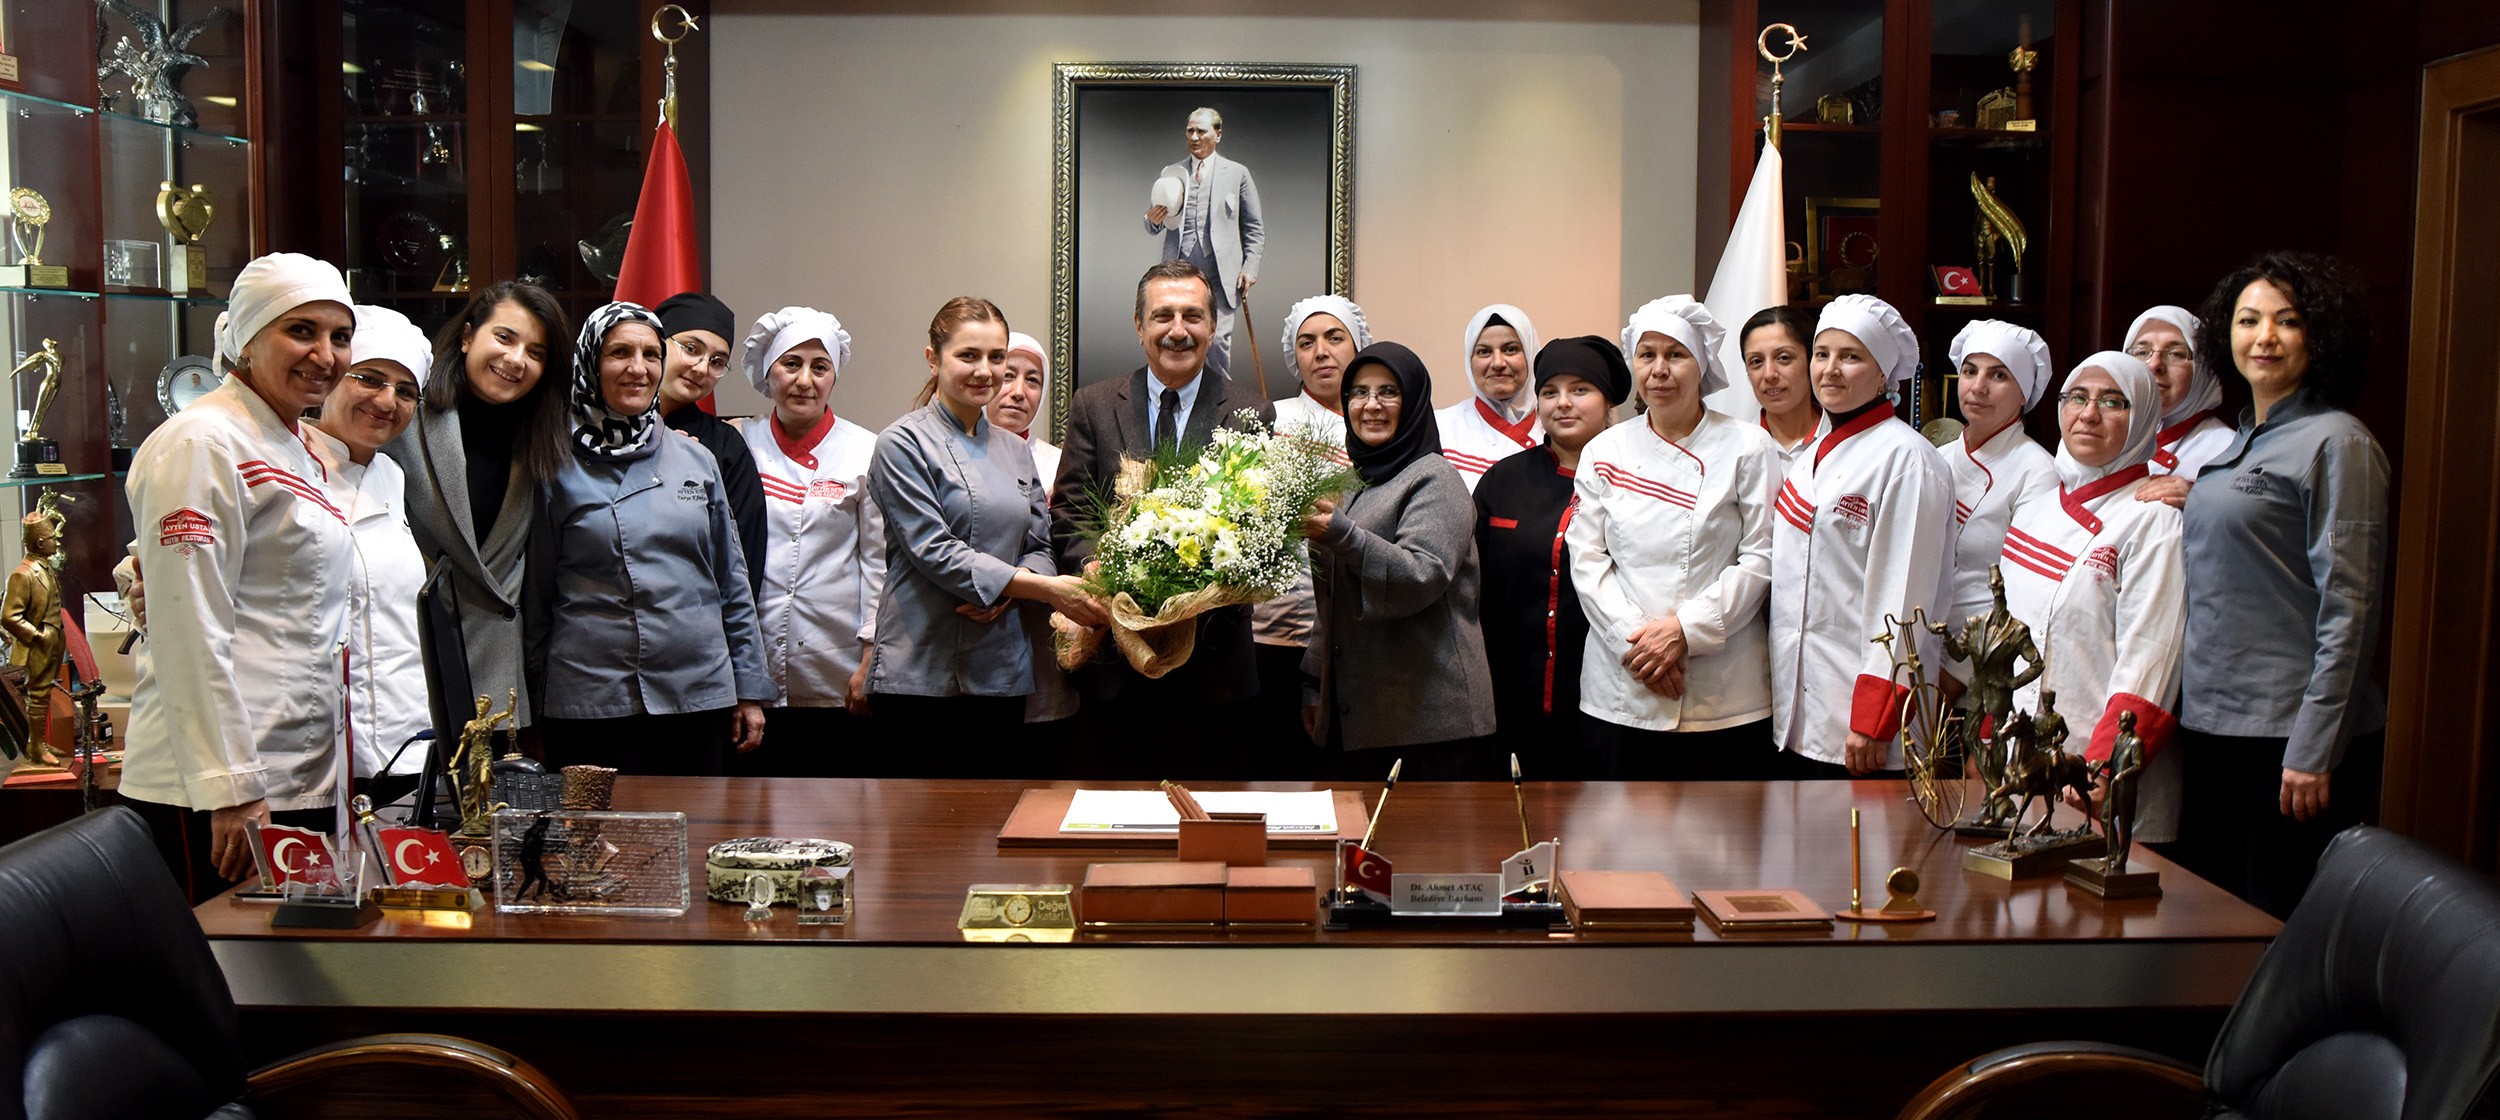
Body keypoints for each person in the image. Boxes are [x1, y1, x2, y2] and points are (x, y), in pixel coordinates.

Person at [121, 252, 360, 900]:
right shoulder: (202, 442)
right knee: (225, 986)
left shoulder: (295, 445)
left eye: (340, 336)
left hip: (291, 773)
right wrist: (230, 787)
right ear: (249, 339)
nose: (326, 354)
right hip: (213, 793)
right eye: (301, 331)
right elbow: (189, 626)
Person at [2172, 252, 2389, 917]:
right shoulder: (2242, 441)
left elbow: (2348, 608)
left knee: (2274, 929)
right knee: (2209, 923)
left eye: (2287, 321)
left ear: (2318, 336)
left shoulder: (2337, 442)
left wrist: (2314, 748)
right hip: (2210, 726)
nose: (2263, 337)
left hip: (2288, 746)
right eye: (2248, 320)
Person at [527, 302, 773, 776]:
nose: (638, 368)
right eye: (619, 352)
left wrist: (748, 689)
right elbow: (536, 597)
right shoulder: (552, 459)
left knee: (700, 840)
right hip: (589, 701)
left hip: (697, 696)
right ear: (591, 360)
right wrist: (531, 711)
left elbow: (731, 582)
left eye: (650, 354)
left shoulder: (696, 459)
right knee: (596, 847)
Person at [1052, 261, 1275, 778]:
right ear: (1139, 326)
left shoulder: (1250, 411)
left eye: (1193, 316)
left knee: (1213, 829)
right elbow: (1068, 511)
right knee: (1115, 832)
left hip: (1215, 669)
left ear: (1213, 326)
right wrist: (1093, 566)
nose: (1179, 330)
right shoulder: (1095, 404)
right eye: (1163, 316)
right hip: (1114, 664)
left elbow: (1259, 523)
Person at [870, 298, 1105, 774]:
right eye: (968, 356)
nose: (986, 371)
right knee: (921, 836)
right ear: (933, 358)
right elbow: (932, 549)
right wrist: (1034, 587)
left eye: (996, 357)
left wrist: (1012, 590)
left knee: (992, 825)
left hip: (1001, 670)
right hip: (919, 672)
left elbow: (1040, 544)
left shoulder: (1014, 451)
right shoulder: (901, 443)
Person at [1570, 299, 1780, 780]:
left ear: (1701, 363)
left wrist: (1683, 631)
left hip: (1722, 691)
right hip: (1623, 682)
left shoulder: (1748, 446)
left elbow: (1761, 557)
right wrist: (1643, 646)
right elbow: (1586, 561)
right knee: (1619, 845)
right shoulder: (1606, 449)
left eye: (1676, 355)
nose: (1659, 370)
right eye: (1647, 355)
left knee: (1720, 850)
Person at [1996, 351, 2186, 851]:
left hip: (2100, 782)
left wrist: (2104, 766)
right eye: (2076, 397)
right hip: (2024, 767)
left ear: (2144, 415)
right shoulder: (2035, 509)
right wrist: (1992, 736)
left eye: (2113, 402)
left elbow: (2152, 655)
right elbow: (2009, 636)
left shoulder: (2155, 518)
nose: (2089, 414)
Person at [1767, 294, 1954, 777]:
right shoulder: (1811, 454)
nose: (1830, 370)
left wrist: (1877, 716)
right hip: (1800, 710)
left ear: (1883, 376)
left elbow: (1906, 596)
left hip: (1866, 727)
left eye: (1851, 357)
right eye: (1823, 353)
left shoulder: (1908, 461)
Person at [1301, 341, 1496, 778]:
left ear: (1412, 401)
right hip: (1359, 714)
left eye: (1388, 392)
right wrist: (1315, 682)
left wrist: (1342, 534)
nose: (1372, 405)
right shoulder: (1354, 483)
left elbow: (1422, 574)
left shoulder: (1436, 479)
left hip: (1429, 725)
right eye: (1359, 393)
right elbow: (1331, 593)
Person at [383, 281, 571, 729]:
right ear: (467, 337)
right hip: (411, 666)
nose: (516, 360)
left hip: (499, 684)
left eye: (536, 352)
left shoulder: (542, 440)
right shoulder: (405, 417)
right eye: (504, 338)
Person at [737, 306, 883, 777]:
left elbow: (878, 564)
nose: (805, 380)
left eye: (820, 367)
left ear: (834, 377)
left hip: (835, 668)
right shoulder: (737, 443)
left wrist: (869, 658)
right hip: (750, 672)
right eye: (791, 364)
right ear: (767, 372)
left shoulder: (867, 449)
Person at [1475, 336, 1622, 776]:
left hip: (1605, 702)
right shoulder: (1504, 480)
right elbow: (1473, 587)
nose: (1563, 403)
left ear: (1608, 399)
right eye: (1549, 392)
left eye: (1580, 390)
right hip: (1510, 698)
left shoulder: (1635, 482)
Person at [315, 306, 434, 809]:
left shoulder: (391, 475)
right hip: (322, 759)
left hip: (409, 751)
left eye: (406, 391)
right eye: (370, 378)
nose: (387, 401)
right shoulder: (278, 467)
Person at [1249, 295, 1367, 776]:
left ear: (1359, 348)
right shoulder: (1269, 420)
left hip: (1354, 636)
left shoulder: (1381, 424)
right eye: (1307, 342)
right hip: (1270, 633)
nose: (1321, 352)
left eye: (1335, 339)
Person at [1938, 321, 2058, 700]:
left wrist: (1960, 676)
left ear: (2024, 393)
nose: (1978, 387)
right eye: (1970, 371)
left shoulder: (2037, 472)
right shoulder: (1935, 459)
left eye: (1999, 375)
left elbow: (2026, 595)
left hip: (1986, 669)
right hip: (1922, 646)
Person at [988, 332, 1081, 741]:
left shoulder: (1061, 461)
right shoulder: (948, 454)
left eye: (1033, 380)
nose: (1018, 392)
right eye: (1008, 375)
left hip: (1044, 631)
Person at [654, 291, 768, 600]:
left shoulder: (725, 448)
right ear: (656, 342)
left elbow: (744, 563)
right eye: (691, 349)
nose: (702, 368)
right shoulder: (602, 433)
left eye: (717, 362)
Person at [1143, 107, 1263, 380]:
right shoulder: (1172, 172)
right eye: (1190, 131)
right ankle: (1179, 400)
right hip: (1179, 275)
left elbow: (1254, 228)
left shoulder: (1237, 173)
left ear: (1218, 135)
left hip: (1221, 276)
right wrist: (1152, 219)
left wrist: (1249, 268)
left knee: (1217, 342)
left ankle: (1218, 406)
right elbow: (1152, 225)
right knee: (1176, 341)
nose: (1194, 137)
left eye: (1202, 131)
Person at [2123, 305, 2236, 482]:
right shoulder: (2103, 433)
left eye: (2175, 353)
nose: (2155, 364)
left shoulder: (2227, 450)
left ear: (2202, 368)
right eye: (2142, 352)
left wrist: (2195, 498)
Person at [1437, 305, 1542, 490]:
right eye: (1484, 351)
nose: (1498, 363)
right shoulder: (1439, 427)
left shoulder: (1555, 430)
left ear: (1531, 354)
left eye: (1510, 349)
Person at [1741, 305, 1822, 468]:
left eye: (1783, 358)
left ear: (1811, 361)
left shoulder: (1843, 440)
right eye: (1756, 362)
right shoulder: (1736, 448)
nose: (1769, 374)